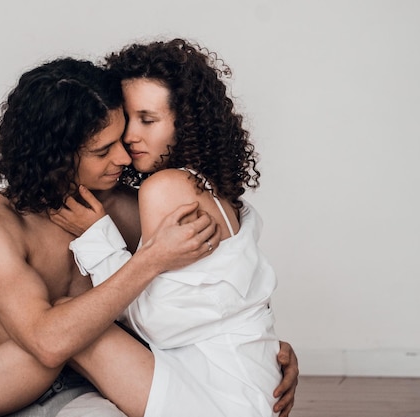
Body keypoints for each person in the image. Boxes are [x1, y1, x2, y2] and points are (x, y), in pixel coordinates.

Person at [0, 52, 299, 417]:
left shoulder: (131, 204)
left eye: (123, 136)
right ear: (57, 155)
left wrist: (261, 352)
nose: (124, 155)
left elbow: (213, 292)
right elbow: (48, 342)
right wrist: (150, 259)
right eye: (102, 150)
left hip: (98, 394)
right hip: (10, 395)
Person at [48, 38, 289, 417]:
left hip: (221, 399)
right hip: (252, 389)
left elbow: (156, 325)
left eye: (148, 119)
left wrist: (98, 237)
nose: (130, 135)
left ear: (185, 123)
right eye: (127, 119)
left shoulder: (165, 187)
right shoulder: (214, 190)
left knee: (69, 323)